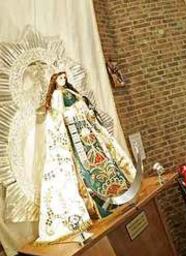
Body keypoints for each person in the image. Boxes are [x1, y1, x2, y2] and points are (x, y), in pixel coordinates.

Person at [36, 71, 136, 243]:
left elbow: (84, 108)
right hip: (76, 140)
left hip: (88, 135)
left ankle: (119, 197)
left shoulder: (72, 93)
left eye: (65, 77)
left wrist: (86, 113)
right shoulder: (57, 96)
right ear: (54, 81)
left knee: (106, 162)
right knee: (87, 171)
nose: (63, 80)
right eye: (60, 78)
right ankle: (101, 207)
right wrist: (71, 116)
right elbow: (56, 118)